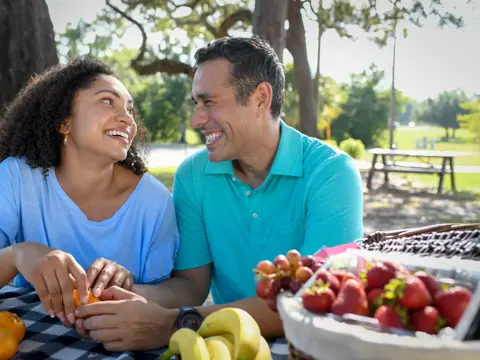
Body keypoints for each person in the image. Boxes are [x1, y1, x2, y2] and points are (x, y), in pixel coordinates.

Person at [74, 35, 364, 351]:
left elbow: (314, 298)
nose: (196, 119)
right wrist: (125, 294)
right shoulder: (194, 175)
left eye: (209, 102)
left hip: (313, 347)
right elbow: (191, 286)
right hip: (229, 341)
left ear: (260, 98)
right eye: (196, 104)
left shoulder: (332, 174)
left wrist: (174, 323)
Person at [0, 57, 179, 329]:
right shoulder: (16, 179)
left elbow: (178, 292)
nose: (127, 119)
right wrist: (18, 255)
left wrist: (132, 288)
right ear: (64, 121)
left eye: (130, 109)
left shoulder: (154, 202)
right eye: (108, 101)